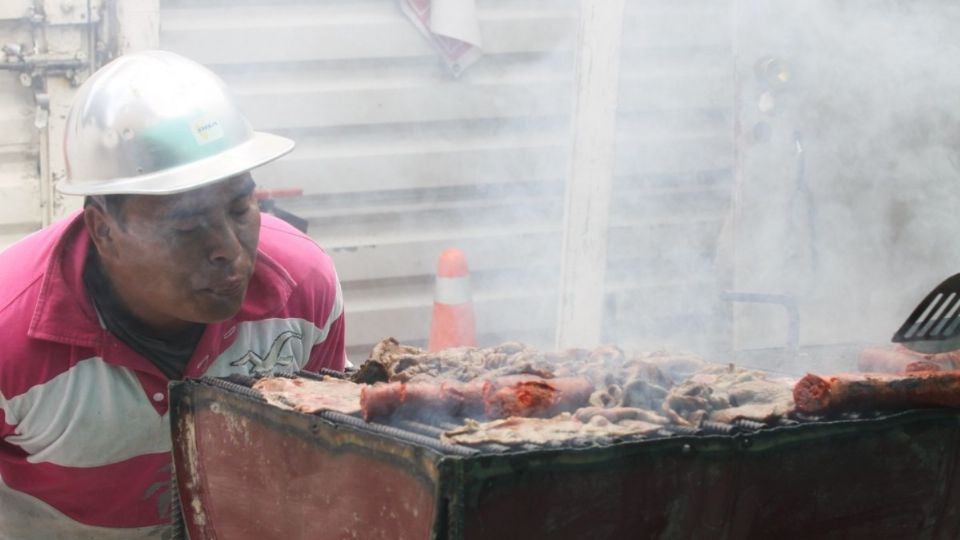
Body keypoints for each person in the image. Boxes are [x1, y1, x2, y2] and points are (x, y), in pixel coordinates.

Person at [0, 50, 346, 538]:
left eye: (241, 208)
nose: (229, 250)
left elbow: (324, 462)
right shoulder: (9, 330)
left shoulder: (302, 288)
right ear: (104, 230)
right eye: (186, 223)